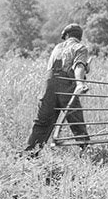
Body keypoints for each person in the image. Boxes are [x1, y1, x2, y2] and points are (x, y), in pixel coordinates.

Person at [23, 23, 91, 155]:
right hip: (66, 84)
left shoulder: (57, 48)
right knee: (75, 119)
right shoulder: (80, 47)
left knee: (42, 121)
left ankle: (30, 152)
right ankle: (86, 150)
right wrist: (79, 83)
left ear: (65, 35)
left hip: (49, 86)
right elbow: (79, 66)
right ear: (79, 37)